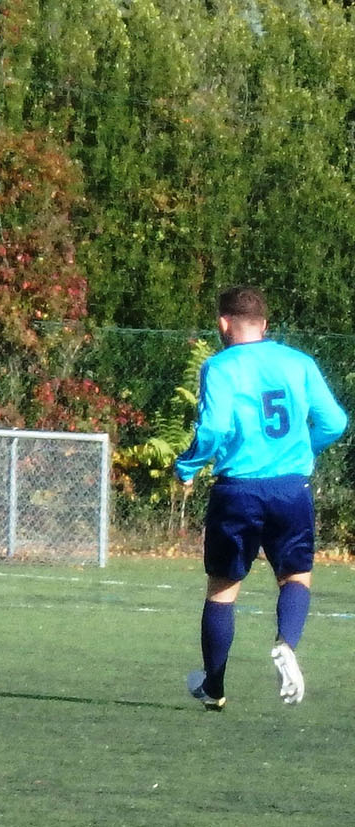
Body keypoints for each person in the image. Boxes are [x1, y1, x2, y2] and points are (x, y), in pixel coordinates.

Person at [178, 286, 346, 709]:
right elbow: (335, 421)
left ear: (223, 323)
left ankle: (214, 688)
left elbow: (214, 428)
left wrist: (188, 466)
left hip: (239, 490)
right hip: (291, 488)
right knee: (295, 576)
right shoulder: (299, 362)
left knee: (223, 589)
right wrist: (303, 451)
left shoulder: (220, 366)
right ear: (265, 324)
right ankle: (286, 643)